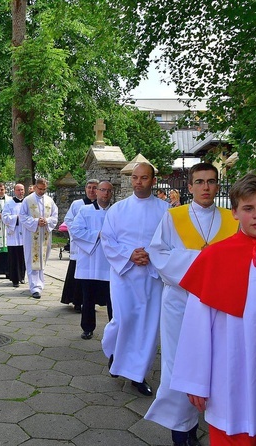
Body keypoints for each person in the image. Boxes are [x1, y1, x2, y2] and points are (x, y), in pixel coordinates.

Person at [171, 174, 256, 446]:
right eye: (249, 208)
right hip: (229, 373)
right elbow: (196, 326)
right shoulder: (215, 257)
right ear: (235, 213)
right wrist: (195, 381)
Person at [144, 162, 239, 446]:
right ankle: (182, 430)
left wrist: (211, 270)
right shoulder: (174, 217)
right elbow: (158, 254)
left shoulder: (232, 219)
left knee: (218, 363)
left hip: (219, 304)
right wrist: (204, 264)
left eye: (211, 182)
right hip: (181, 303)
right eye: (199, 182)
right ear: (189, 187)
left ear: (218, 185)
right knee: (179, 365)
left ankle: (220, 424)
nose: (206, 187)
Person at [100, 162, 168, 396]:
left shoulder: (165, 211)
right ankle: (114, 353)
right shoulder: (118, 210)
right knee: (123, 320)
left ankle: (138, 375)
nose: (139, 182)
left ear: (153, 181)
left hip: (152, 276)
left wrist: (151, 254)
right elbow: (108, 240)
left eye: (144, 178)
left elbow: (170, 243)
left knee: (148, 326)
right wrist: (130, 254)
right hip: (124, 274)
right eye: (135, 178)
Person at [70, 180, 114, 340]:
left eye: (109, 190)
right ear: (97, 192)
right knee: (88, 298)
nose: (105, 193)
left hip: (109, 262)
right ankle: (87, 328)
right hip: (89, 261)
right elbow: (75, 230)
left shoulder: (116, 211)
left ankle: (114, 328)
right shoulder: (84, 210)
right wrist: (97, 234)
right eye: (102, 190)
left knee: (112, 299)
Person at [61, 179, 99, 311]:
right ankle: (76, 301)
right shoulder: (77, 204)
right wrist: (80, 234)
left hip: (95, 245)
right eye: (89, 187)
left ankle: (91, 302)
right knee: (77, 272)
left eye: (95, 188)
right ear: (85, 189)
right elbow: (69, 220)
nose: (91, 190)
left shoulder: (101, 205)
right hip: (79, 244)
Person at [19, 178, 58, 299]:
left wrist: (47, 221)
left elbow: (55, 216)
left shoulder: (50, 201)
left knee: (42, 258)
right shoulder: (27, 200)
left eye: (44, 189)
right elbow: (22, 216)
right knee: (32, 258)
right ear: (35, 187)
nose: (42, 191)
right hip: (32, 235)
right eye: (40, 189)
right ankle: (34, 287)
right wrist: (36, 221)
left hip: (45, 234)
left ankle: (40, 283)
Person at [2, 184, 26, 287]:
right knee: (14, 257)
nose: (20, 192)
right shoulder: (9, 204)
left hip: (25, 234)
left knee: (23, 257)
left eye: (22, 190)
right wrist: (17, 218)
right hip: (14, 234)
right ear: (14, 191)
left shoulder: (27, 203)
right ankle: (15, 279)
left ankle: (22, 276)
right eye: (18, 190)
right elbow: (5, 217)